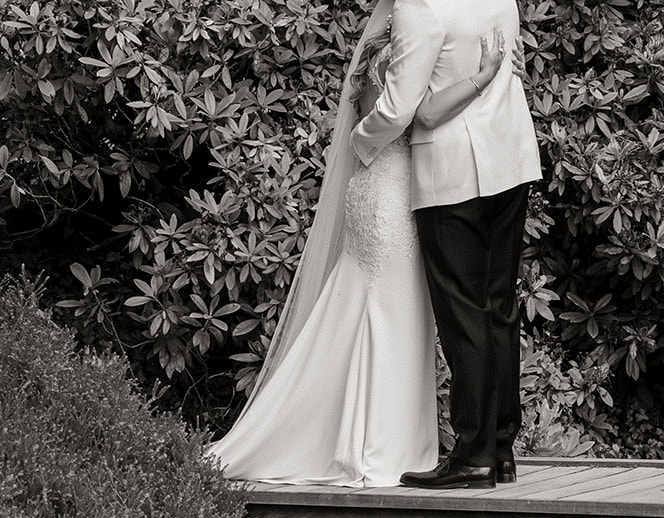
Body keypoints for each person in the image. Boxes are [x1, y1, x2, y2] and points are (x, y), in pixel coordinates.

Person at [205, 1, 509, 487]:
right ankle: (382, 446)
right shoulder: (407, 33)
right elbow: (405, 113)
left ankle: (395, 443)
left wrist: (369, 138)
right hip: (400, 188)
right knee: (401, 309)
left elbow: (397, 107)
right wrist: (368, 138)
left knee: (403, 311)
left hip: (407, 183)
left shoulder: (405, 29)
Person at [351, 0, 542, 489]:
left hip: (452, 173)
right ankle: (500, 448)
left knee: (464, 313)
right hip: (511, 159)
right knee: (499, 306)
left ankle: (474, 454)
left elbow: (401, 109)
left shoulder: (420, 6)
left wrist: (358, 141)